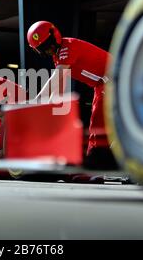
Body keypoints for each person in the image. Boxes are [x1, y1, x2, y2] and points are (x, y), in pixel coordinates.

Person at [27, 21, 117, 169]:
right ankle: (99, 163)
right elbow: (56, 89)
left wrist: (34, 103)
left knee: (98, 123)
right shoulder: (57, 55)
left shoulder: (68, 47)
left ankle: (96, 165)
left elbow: (55, 79)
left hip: (113, 78)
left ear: (54, 36)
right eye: (42, 48)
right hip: (104, 82)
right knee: (100, 122)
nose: (48, 49)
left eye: (48, 44)